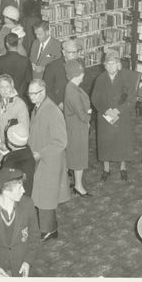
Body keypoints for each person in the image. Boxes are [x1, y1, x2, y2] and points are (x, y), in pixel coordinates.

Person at [27, 79, 70, 241]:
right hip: (39, 157)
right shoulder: (37, 107)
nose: (31, 97)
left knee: (46, 198)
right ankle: (48, 226)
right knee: (41, 195)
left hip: (49, 160)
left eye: (34, 93)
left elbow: (60, 141)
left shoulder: (52, 111)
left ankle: (49, 230)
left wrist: (40, 154)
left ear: (43, 91)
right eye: (29, 93)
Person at [91, 52, 139, 182]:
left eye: (114, 63)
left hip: (122, 115)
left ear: (119, 65)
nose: (111, 66)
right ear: (104, 65)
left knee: (122, 141)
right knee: (105, 143)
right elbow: (95, 98)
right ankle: (106, 169)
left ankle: (123, 167)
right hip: (105, 116)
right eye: (108, 63)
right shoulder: (100, 79)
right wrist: (106, 111)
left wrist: (118, 110)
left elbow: (131, 98)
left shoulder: (126, 78)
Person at [63, 59, 92, 197]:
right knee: (79, 157)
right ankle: (79, 186)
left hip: (74, 125)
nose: (83, 74)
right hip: (77, 127)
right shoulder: (73, 91)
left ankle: (75, 184)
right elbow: (81, 113)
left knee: (74, 155)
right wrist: (88, 118)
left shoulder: (71, 86)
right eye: (81, 72)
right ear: (77, 74)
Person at [0, 74, 30, 171]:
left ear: (12, 86)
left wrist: (8, 145)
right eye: (1, 87)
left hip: (14, 148)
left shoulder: (19, 104)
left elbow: (24, 128)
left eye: (7, 87)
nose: (4, 90)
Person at [43, 39, 80, 110]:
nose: (73, 55)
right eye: (69, 52)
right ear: (63, 52)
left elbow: (82, 85)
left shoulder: (80, 64)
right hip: (59, 105)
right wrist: (58, 103)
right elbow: (46, 89)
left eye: (75, 52)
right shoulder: (52, 67)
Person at [0, 32, 32, 100]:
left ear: (7, 44)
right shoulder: (25, 60)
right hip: (21, 96)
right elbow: (29, 80)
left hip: (4, 94)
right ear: (18, 43)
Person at [2, 123, 35, 197]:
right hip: (25, 197)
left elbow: (0, 184)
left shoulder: (10, 162)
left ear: (9, 142)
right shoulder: (29, 155)